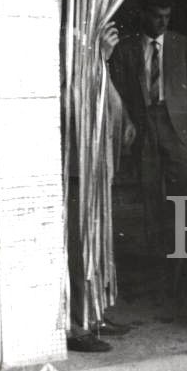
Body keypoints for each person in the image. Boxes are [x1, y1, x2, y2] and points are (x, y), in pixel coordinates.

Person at [108, 0, 187, 305]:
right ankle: (157, 269)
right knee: (151, 197)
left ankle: (177, 273)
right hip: (144, 128)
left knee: (180, 198)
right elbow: (115, 90)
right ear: (144, 15)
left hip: (178, 128)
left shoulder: (181, 44)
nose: (162, 22)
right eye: (156, 16)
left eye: (167, 17)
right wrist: (127, 124)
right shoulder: (126, 49)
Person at [66, 22, 136, 352]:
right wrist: (99, 60)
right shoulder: (67, 55)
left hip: (95, 168)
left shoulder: (90, 58)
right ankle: (77, 325)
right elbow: (75, 103)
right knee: (80, 248)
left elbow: (110, 104)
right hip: (77, 170)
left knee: (95, 244)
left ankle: (93, 314)